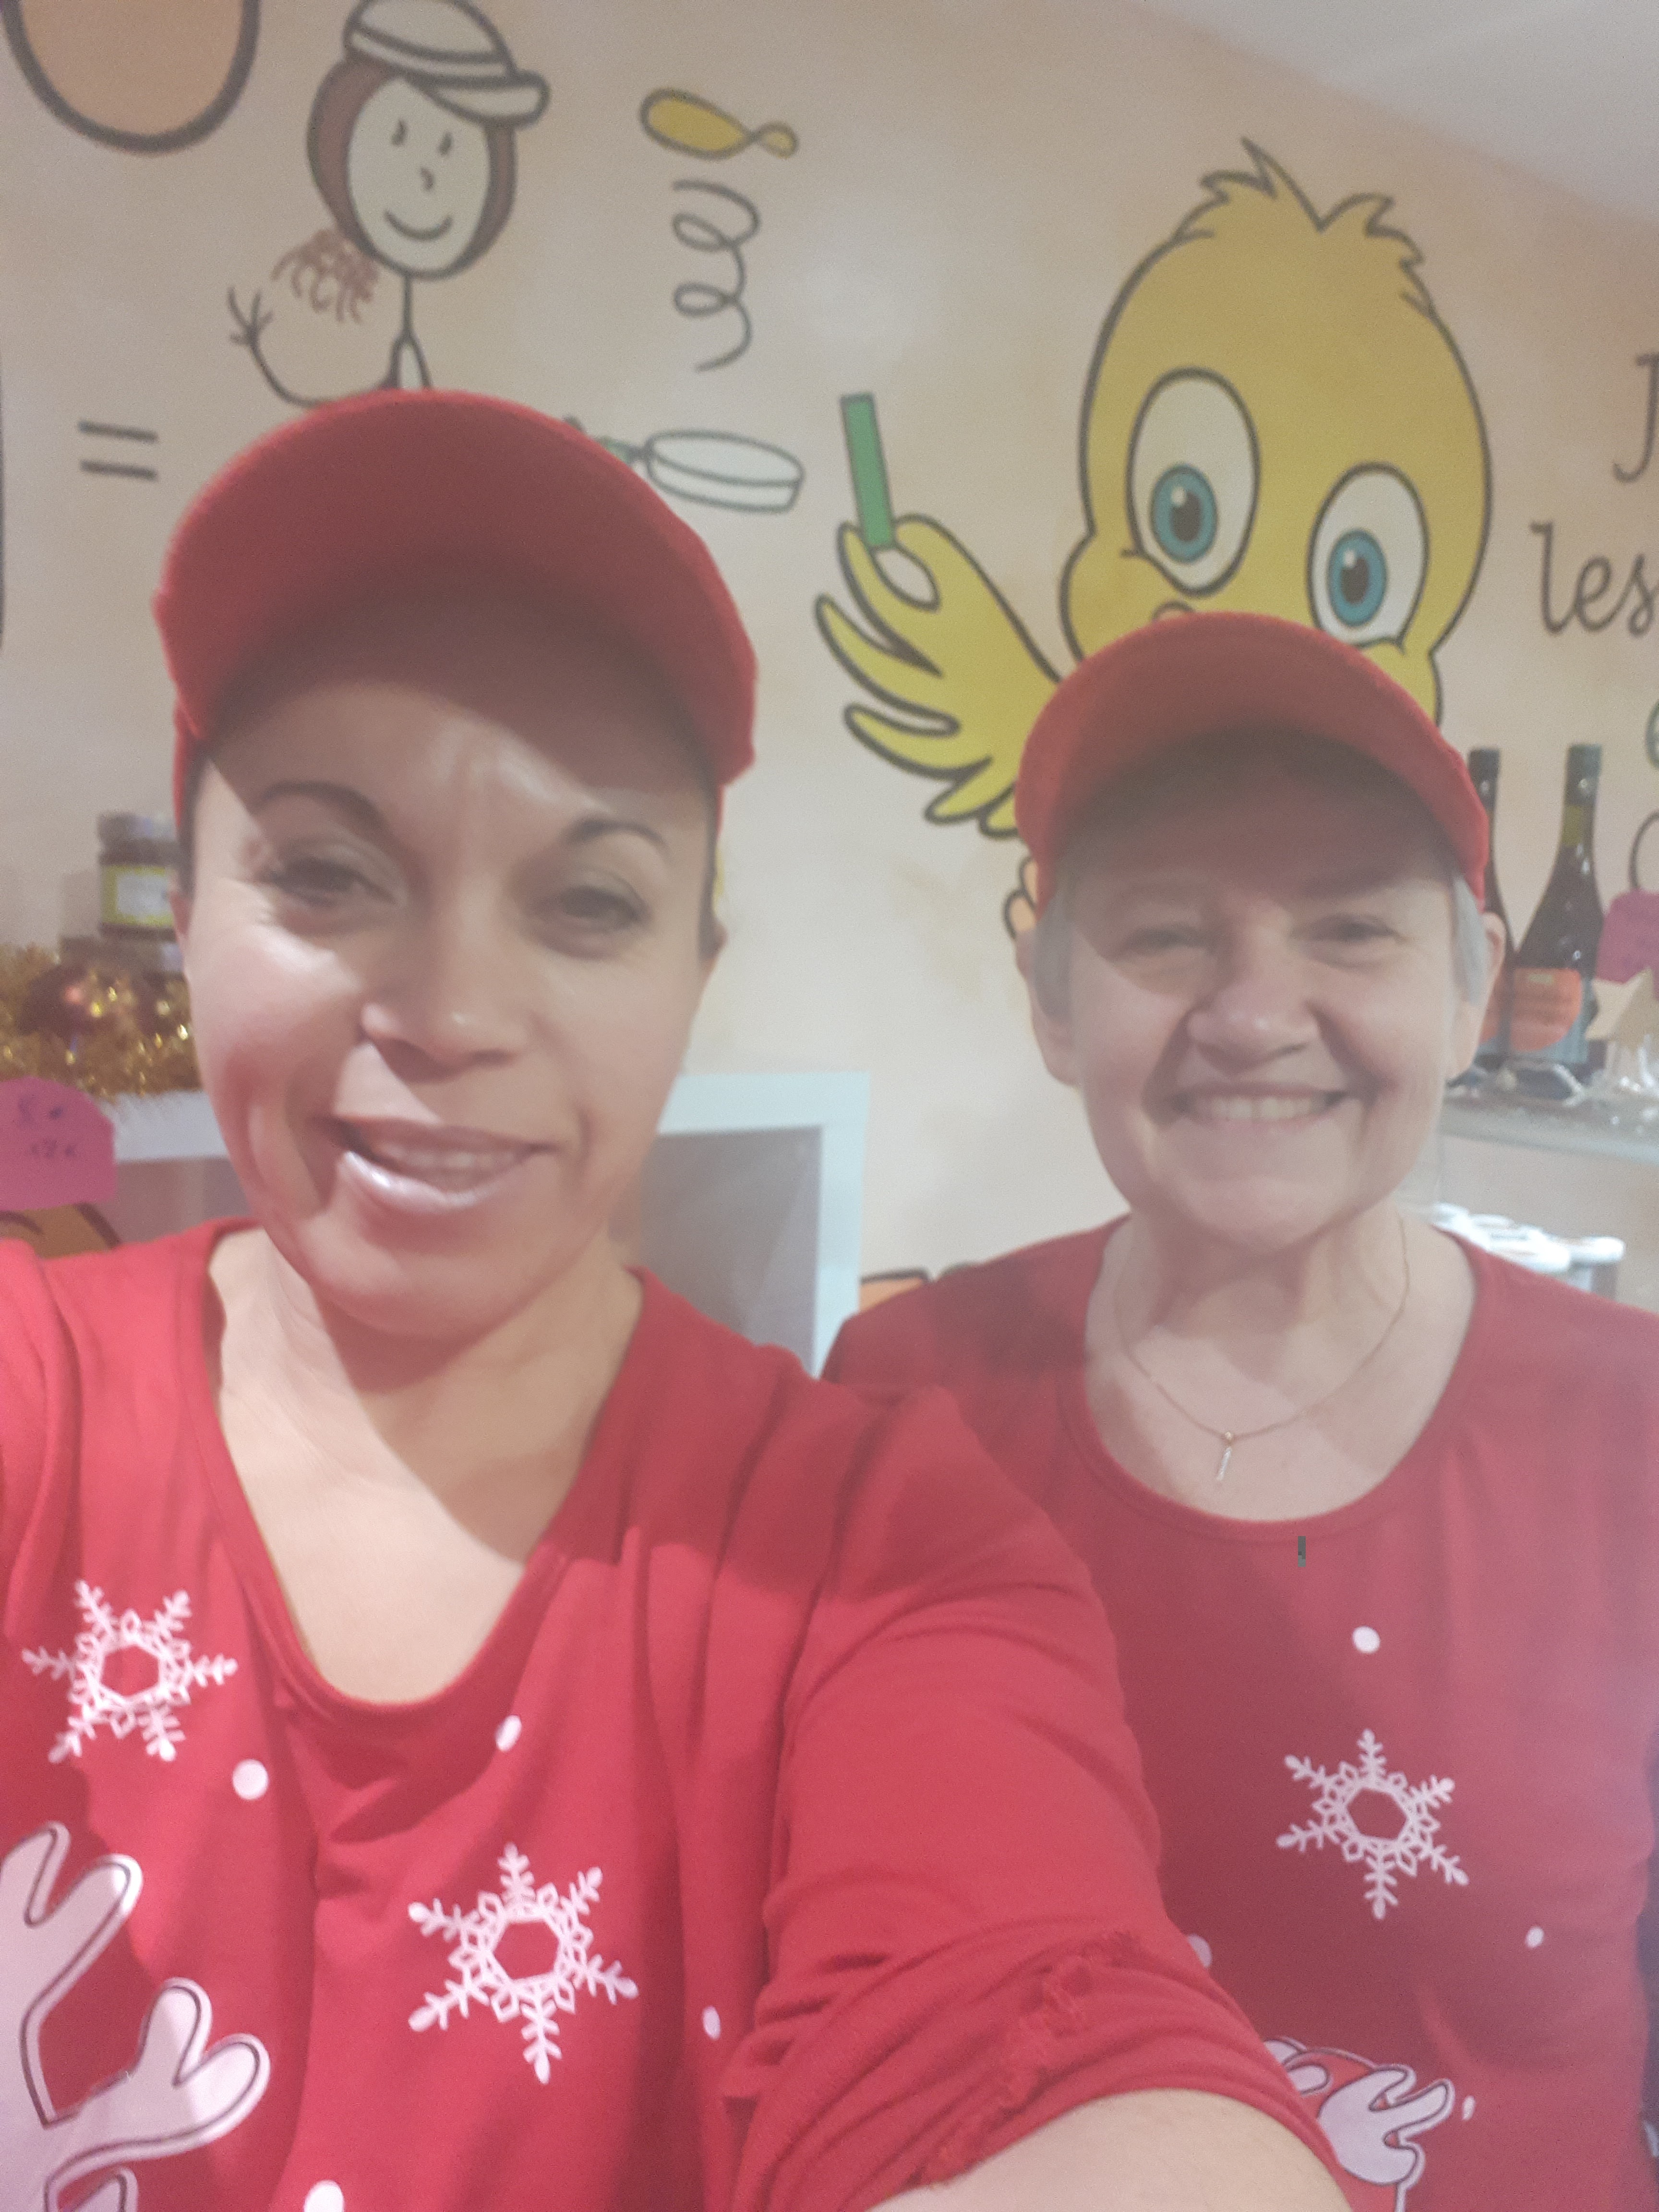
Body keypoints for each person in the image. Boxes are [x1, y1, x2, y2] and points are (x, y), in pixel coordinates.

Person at [0, 395, 1346, 2211]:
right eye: (325, 873)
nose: (452, 1012)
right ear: (184, 913)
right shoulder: (38, 1396)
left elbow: (1048, 2037)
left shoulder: (876, 1554)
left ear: (695, 971)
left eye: (588, 903)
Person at [829, 611, 1659, 2212]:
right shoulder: (901, 1401)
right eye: (1165, 934)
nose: (1255, 1012)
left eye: (1350, 929)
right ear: (1054, 1002)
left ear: (1473, 990)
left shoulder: (1637, 1433)